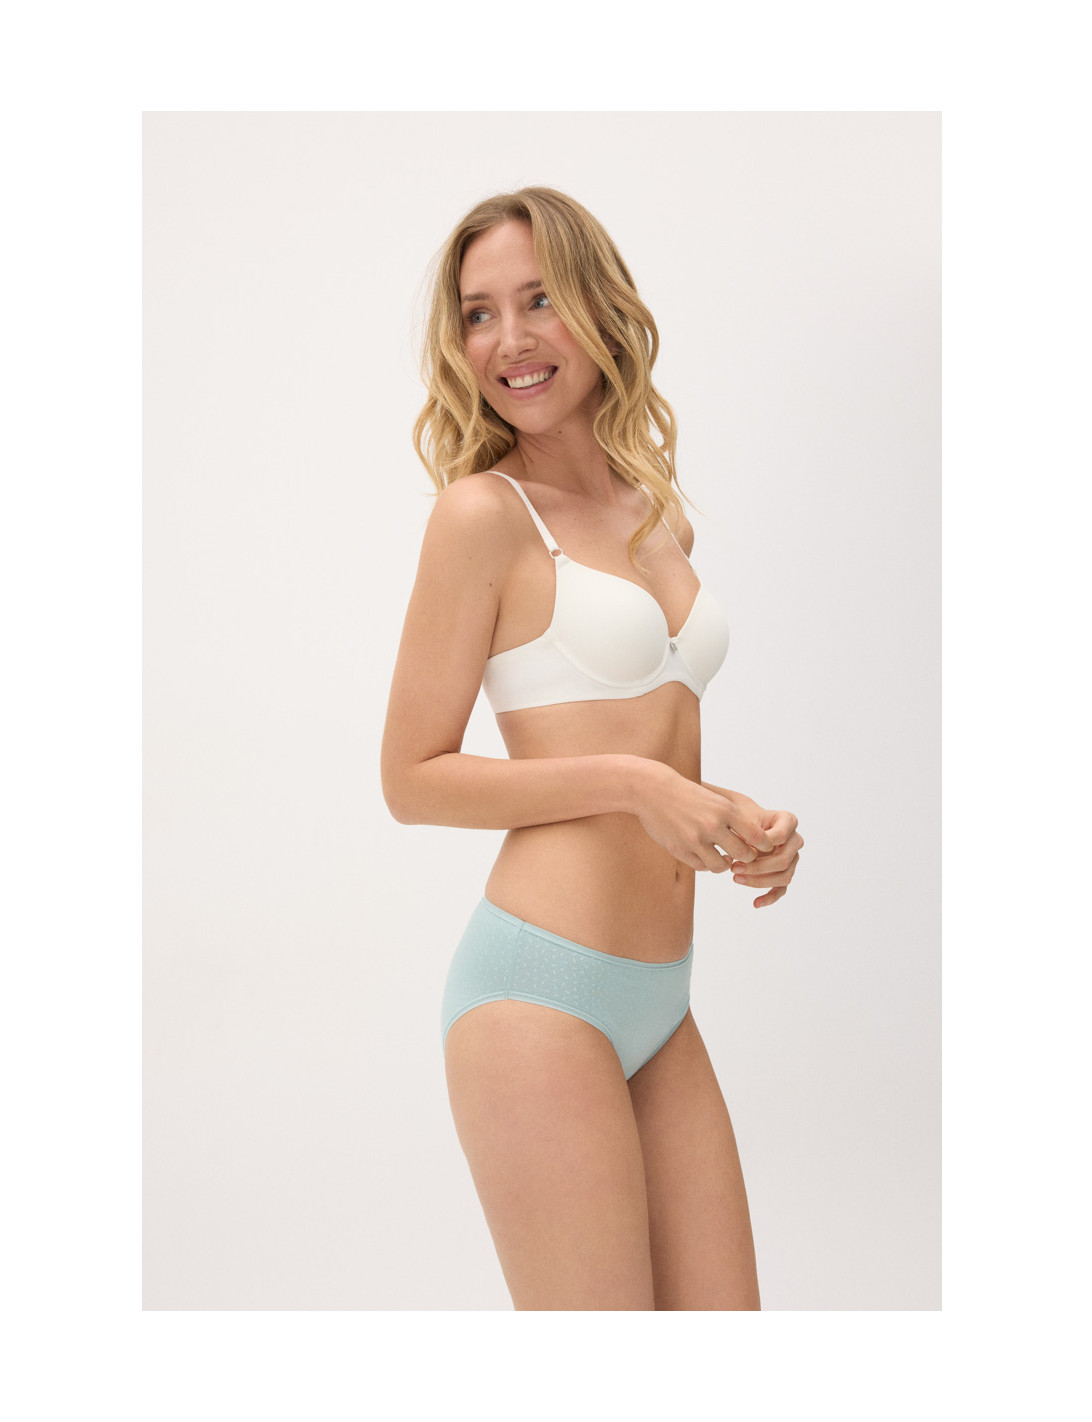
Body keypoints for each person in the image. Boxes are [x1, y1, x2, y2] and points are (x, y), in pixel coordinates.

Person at [381, 187, 802, 1311]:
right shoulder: (482, 516)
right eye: (477, 315)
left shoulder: (655, 513)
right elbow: (410, 779)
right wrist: (633, 786)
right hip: (537, 994)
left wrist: (729, 818)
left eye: (538, 301)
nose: (507, 340)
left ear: (600, 307)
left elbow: (642, 729)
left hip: (661, 997)